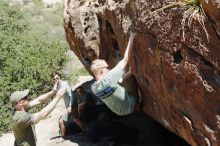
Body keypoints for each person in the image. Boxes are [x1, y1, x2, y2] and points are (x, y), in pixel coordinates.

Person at [90, 31, 136, 116]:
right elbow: (125, 60)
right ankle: (139, 102)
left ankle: (130, 73)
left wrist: (129, 72)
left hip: (119, 112)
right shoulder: (109, 79)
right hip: (130, 106)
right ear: (101, 70)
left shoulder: (93, 88)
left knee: (120, 80)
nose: (108, 70)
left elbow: (116, 82)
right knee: (130, 79)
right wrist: (132, 37)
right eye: (106, 68)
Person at [51, 72, 73, 136]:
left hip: (71, 104)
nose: (56, 80)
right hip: (67, 104)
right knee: (76, 118)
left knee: (61, 121)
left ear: (60, 77)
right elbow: (54, 91)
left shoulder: (64, 83)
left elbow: (71, 94)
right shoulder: (58, 85)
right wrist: (55, 84)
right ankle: (84, 130)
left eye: (57, 78)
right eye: (54, 79)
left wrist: (70, 106)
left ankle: (63, 136)